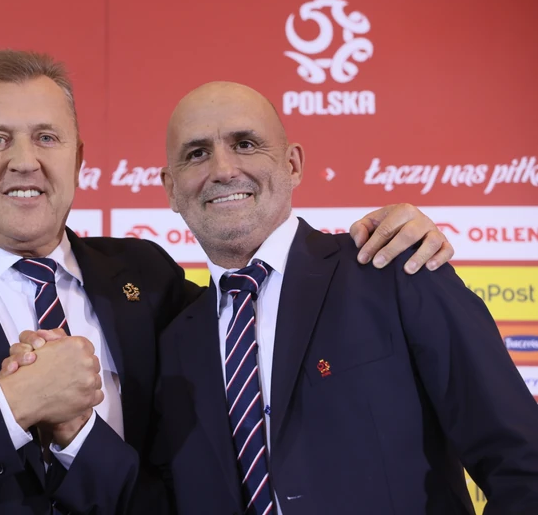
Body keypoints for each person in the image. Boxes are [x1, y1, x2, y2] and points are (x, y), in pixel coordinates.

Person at [0, 50, 454, 515]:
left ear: (78, 160)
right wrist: (15, 405)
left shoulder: (147, 278)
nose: (24, 161)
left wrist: (392, 236)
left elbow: (275, 317)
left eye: (46, 137)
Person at [149, 81, 538, 514]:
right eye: (196, 153)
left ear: (292, 165)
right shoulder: (173, 342)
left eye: (245, 144)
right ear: (171, 188)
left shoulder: (393, 266)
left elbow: (522, 463)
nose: (223, 169)